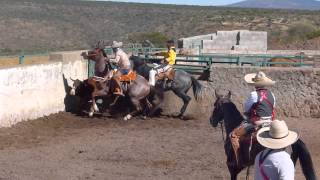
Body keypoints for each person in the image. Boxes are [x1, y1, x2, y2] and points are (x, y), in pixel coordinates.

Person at [230, 71, 276, 164]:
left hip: (257, 122)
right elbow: (273, 107)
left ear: (255, 84)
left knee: (233, 135)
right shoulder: (272, 94)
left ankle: (238, 161)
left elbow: (246, 108)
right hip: (271, 122)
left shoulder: (254, 94)